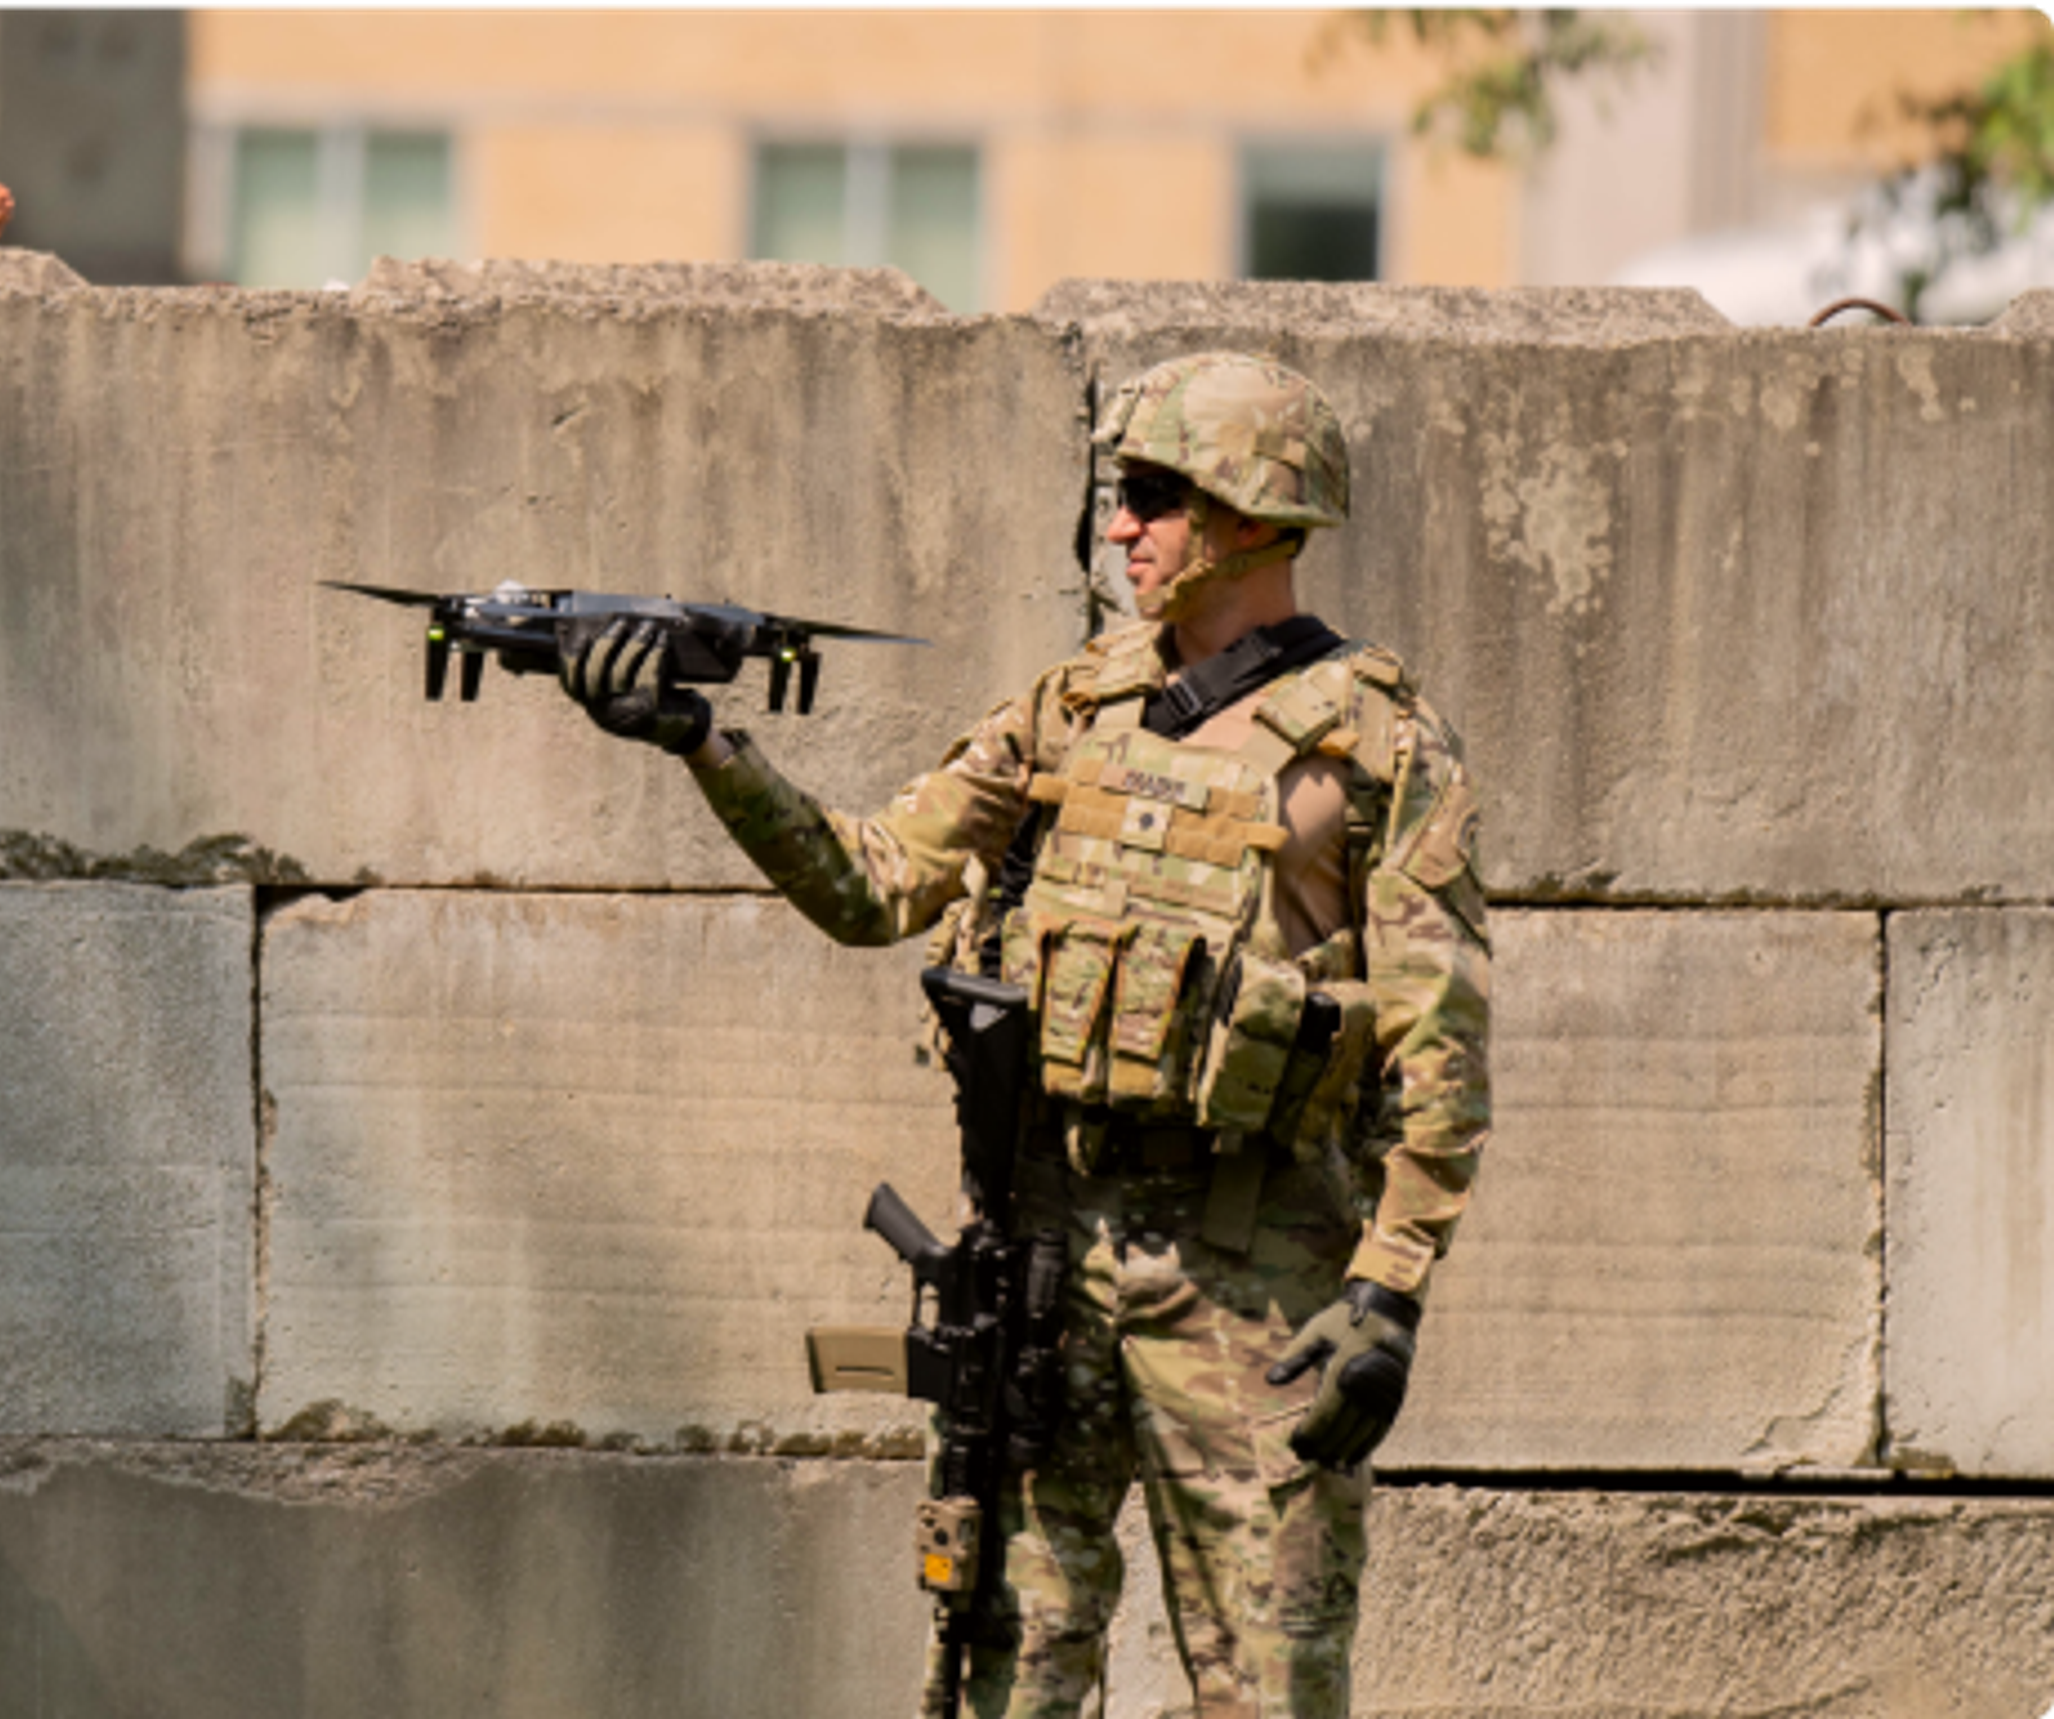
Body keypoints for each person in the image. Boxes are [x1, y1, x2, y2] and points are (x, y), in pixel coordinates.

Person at [558, 354, 1489, 1717]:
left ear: (1250, 511)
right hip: (1043, 1257)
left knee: (1272, 1686)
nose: (1124, 528)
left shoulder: (1377, 751)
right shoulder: (1070, 708)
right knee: (1001, 1670)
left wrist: (1390, 1290)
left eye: (1155, 498)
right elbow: (873, 880)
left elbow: (1441, 1042)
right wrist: (703, 743)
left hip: (1252, 1281)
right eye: (1122, 498)